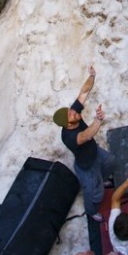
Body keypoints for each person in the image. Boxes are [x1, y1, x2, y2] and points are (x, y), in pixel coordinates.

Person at [53, 66, 115, 222]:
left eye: (71, 110)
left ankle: (102, 178)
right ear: (67, 124)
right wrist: (98, 120)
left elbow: (84, 92)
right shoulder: (69, 137)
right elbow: (86, 135)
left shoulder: (74, 115)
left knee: (110, 161)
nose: (74, 111)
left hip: (94, 152)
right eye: (71, 114)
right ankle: (91, 211)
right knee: (96, 194)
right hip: (86, 167)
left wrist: (92, 77)